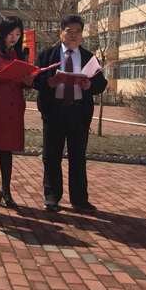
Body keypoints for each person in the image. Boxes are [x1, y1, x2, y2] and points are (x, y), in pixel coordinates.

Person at [33, 14, 107, 213]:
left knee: (78, 157)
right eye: (69, 31)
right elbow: (35, 79)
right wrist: (50, 82)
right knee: (51, 156)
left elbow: (101, 83)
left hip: (78, 114)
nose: (73, 35)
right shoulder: (47, 55)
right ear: (61, 33)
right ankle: (52, 197)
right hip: (53, 112)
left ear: (82, 35)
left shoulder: (89, 57)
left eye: (77, 32)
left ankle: (79, 200)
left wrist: (89, 85)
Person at [0, 17, 33, 208]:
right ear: (2, 33)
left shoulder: (19, 53)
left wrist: (29, 80)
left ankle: (6, 191)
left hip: (13, 106)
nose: (14, 38)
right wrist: (10, 73)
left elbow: (25, 80)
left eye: (17, 34)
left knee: (7, 150)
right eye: (10, 34)